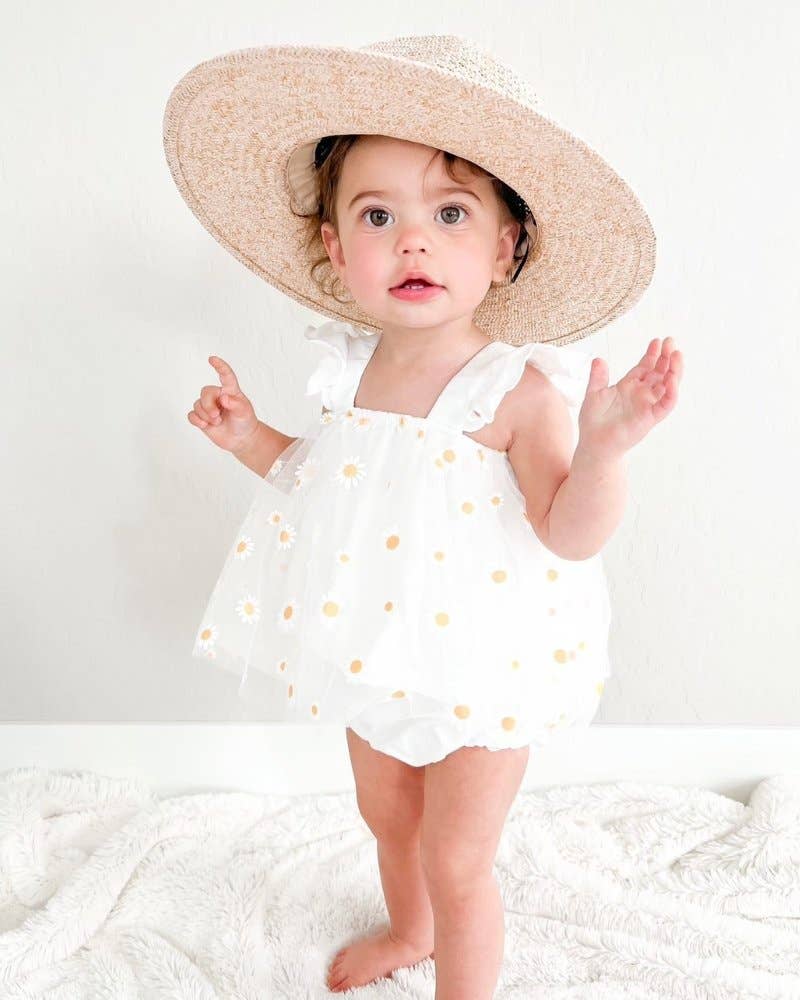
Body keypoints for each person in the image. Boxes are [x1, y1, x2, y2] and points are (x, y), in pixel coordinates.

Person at [165, 35, 681, 998]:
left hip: (486, 665)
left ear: (505, 247)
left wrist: (604, 450)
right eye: (378, 216)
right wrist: (248, 438)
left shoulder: (515, 389)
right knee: (387, 818)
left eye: (450, 213)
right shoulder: (350, 371)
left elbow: (568, 532)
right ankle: (412, 932)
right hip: (374, 642)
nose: (414, 241)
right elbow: (326, 480)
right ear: (335, 249)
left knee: (456, 854)